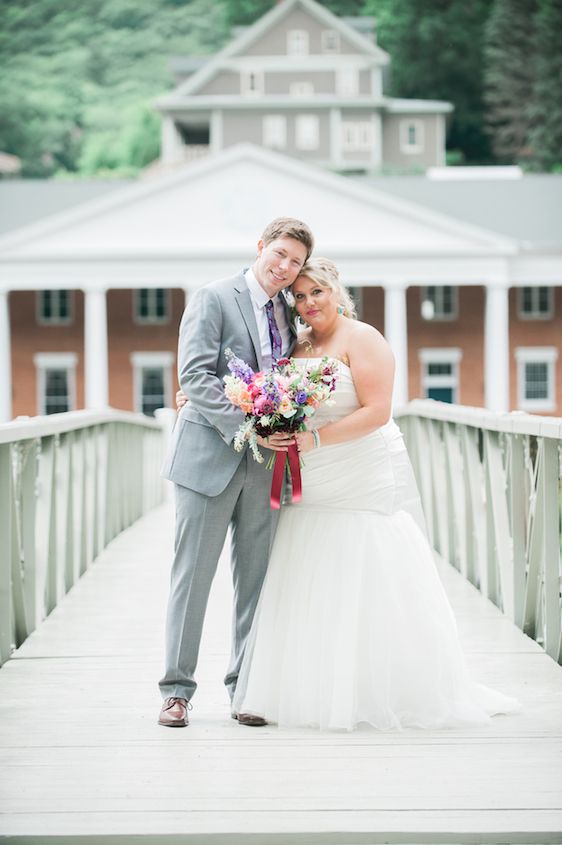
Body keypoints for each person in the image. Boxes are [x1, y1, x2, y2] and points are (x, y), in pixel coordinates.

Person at [231, 257, 519, 731]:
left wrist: (317, 439)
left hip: (358, 466)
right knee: (308, 561)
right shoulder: (298, 345)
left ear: (335, 291)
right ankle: (303, 686)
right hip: (312, 471)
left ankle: (380, 686)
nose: (307, 304)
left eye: (315, 293)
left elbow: (379, 410)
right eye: (298, 297)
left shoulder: (364, 338)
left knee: (365, 557)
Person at [158, 217, 314, 728]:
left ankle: (243, 689)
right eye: (280, 254)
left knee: (256, 582)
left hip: (267, 467)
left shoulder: (289, 313)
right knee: (192, 579)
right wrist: (247, 426)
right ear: (261, 247)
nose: (285, 268)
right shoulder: (213, 297)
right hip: (210, 458)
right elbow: (194, 377)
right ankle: (176, 691)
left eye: (295, 262)